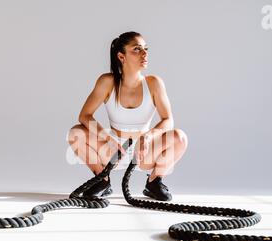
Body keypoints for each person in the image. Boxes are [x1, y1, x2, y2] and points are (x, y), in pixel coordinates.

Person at [67, 31, 188, 201]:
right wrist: (107, 139)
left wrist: (147, 137)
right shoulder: (107, 82)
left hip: (143, 152)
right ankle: (102, 180)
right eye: (137, 49)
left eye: (146, 49)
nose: (145, 54)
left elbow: (168, 120)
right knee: (76, 132)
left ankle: (154, 181)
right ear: (121, 56)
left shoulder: (154, 83)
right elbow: (85, 116)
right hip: (113, 152)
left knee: (179, 137)